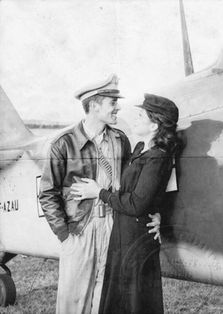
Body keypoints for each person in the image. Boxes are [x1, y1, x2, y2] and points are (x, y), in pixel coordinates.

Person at [39, 75, 160, 314]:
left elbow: (134, 186)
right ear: (94, 105)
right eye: (112, 102)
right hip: (80, 230)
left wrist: (157, 213)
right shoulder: (63, 144)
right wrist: (65, 235)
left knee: (105, 301)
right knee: (73, 303)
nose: (118, 107)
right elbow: (47, 193)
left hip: (114, 228)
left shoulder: (120, 140)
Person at [70, 93, 179, 314]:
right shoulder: (140, 149)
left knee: (135, 304)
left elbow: (137, 204)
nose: (135, 119)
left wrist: (98, 192)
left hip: (137, 241)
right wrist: (159, 213)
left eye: (141, 116)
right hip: (124, 235)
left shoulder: (158, 157)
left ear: (155, 126)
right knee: (120, 302)